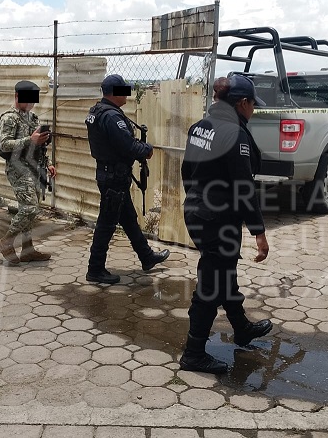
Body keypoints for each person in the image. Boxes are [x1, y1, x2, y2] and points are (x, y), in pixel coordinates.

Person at [179, 74, 271, 374]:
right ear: (242, 103)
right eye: (253, 105)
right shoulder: (235, 134)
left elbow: (187, 170)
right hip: (217, 218)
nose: (254, 110)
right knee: (211, 285)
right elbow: (244, 186)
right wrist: (258, 231)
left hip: (199, 211)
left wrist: (198, 199)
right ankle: (193, 354)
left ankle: (241, 328)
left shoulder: (199, 127)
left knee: (223, 272)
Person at [84, 74, 170, 284]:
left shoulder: (97, 111)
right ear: (114, 93)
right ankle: (95, 269)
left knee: (129, 219)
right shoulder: (112, 117)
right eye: (123, 90)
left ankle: (147, 257)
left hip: (112, 174)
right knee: (106, 224)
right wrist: (146, 150)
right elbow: (129, 146)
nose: (127, 94)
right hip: (113, 176)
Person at [0, 80, 57, 264]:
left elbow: (40, 146)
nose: (31, 104)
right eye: (28, 99)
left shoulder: (33, 118)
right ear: (17, 96)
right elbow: (5, 144)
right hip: (17, 169)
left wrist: (49, 163)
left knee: (30, 211)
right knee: (30, 207)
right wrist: (30, 139)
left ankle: (27, 250)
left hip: (34, 168)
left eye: (33, 100)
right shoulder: (8, 118)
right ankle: (6, 241)